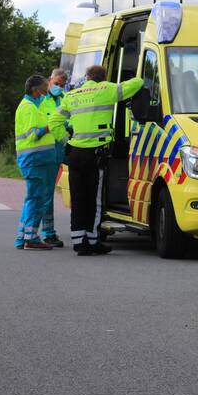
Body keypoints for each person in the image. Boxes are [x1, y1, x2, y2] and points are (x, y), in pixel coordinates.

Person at [51, 65, 143, 256]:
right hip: (95, 155)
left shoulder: (72, 95)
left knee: (78, 198)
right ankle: (92, 241)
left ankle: (78, 241)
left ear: (87, 77)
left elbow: (53, 121)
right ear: (103, 77)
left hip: (75, 154)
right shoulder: (106, 89)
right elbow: (137, 83)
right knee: (95, 200)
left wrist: (66, 141)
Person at [14, 75, 59, 250]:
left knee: (32, 198)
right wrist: (51, 126)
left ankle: (22, 236)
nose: (46, 93)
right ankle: (31, 238)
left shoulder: (31, 106)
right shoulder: (29, 108)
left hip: (35, 159)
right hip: (34, 160)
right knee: (36, 199)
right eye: (44, 89)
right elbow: (33, 134)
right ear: (35, 90)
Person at [38, 68, 69, 247]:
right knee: (46, 194)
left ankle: (45, 232)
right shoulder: (41, 100)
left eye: (62, 85)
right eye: (56, 84)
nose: (59, 87)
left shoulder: (65, 98)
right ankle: (48, 233)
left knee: (49, 192)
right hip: (46, 150)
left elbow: (70, 119)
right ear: (50, 80)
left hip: (60, 149)